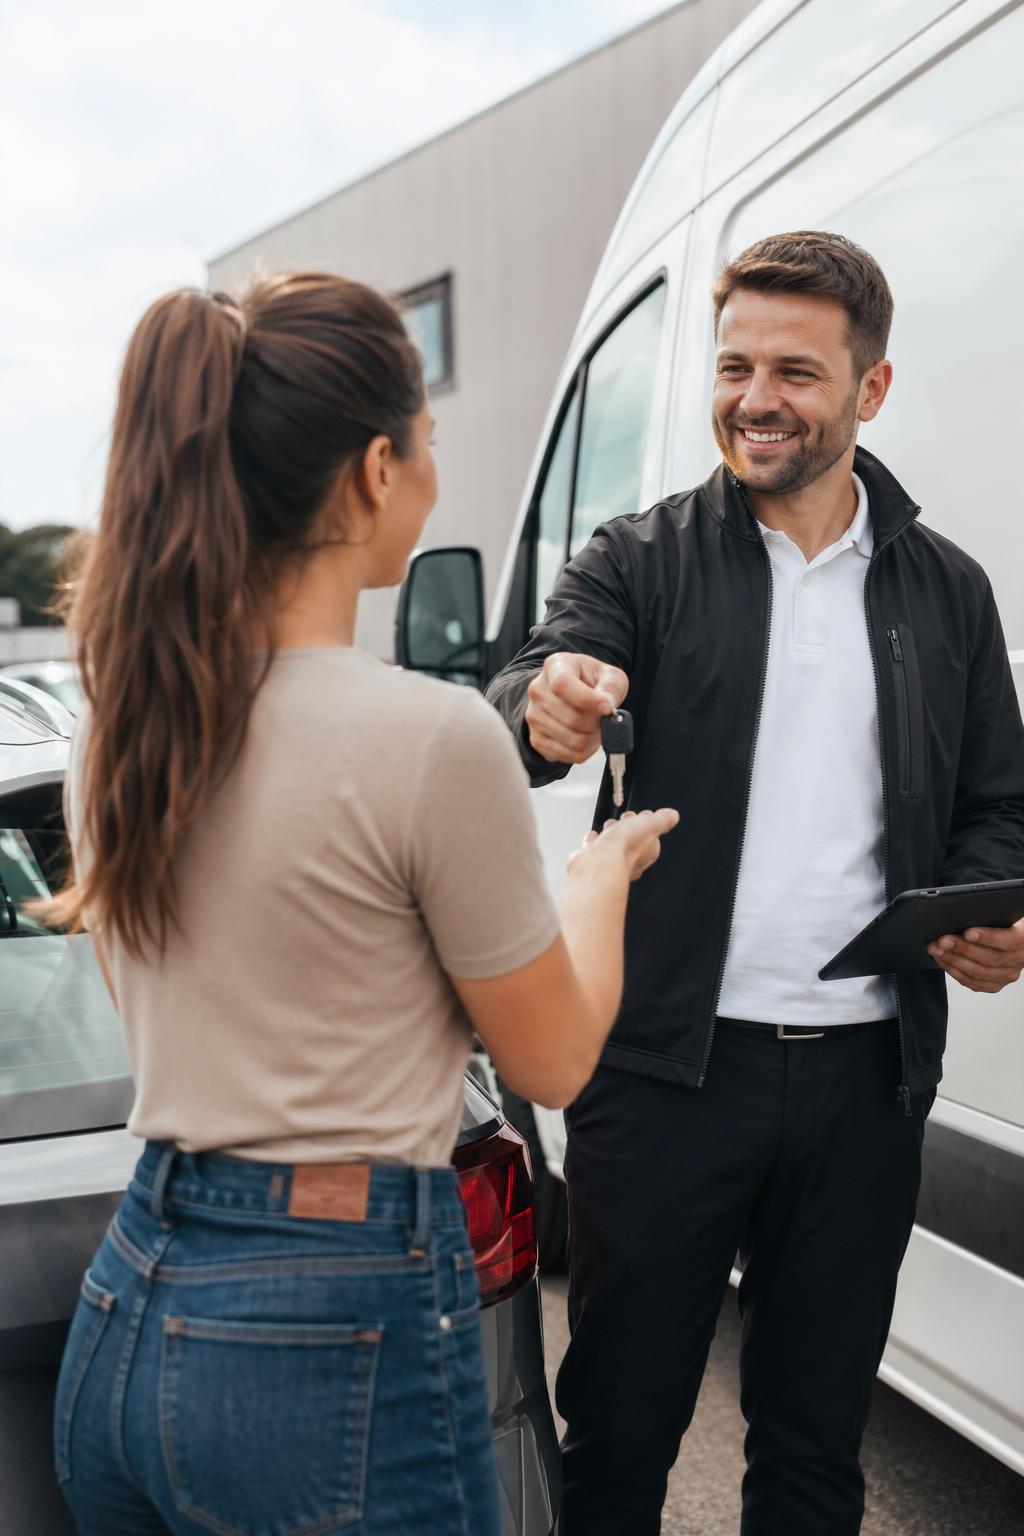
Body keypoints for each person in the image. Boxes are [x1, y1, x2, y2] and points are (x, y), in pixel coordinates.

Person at [48, 272, 678, 1536]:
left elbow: (174, 1007)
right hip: (330, 1320)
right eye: (429, 445)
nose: (434, 473)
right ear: (374, 471)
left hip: (132, 1296)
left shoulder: (122, 730)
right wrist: (597, 887)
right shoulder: (429, 736)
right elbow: (551, 1062)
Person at [485, 231, 1024, 1536]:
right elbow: (528, 682)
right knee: (616, 1432)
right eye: (734, 366)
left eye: (795, 368)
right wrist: (548, 707)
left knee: (813, 1447)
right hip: (666, 1076)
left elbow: (997, 812)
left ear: (870, 390)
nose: (756, 397)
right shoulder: (639, 558)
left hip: (865, 1086)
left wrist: (993, 914)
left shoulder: (947, 591)